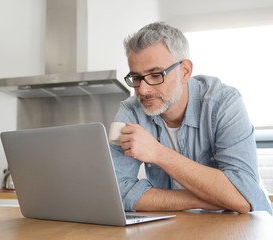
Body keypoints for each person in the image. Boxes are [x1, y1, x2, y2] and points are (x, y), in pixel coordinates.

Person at [110, 22, 272, 214]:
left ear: (185, 71)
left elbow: (244, 197)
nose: (143, 90)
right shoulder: (131, 111)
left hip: (245, 224)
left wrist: (158, 153)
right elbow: (117, 193)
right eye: (136, 78)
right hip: (181, 225)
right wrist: (202, 199)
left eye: (155, 75)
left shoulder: (224, 103)